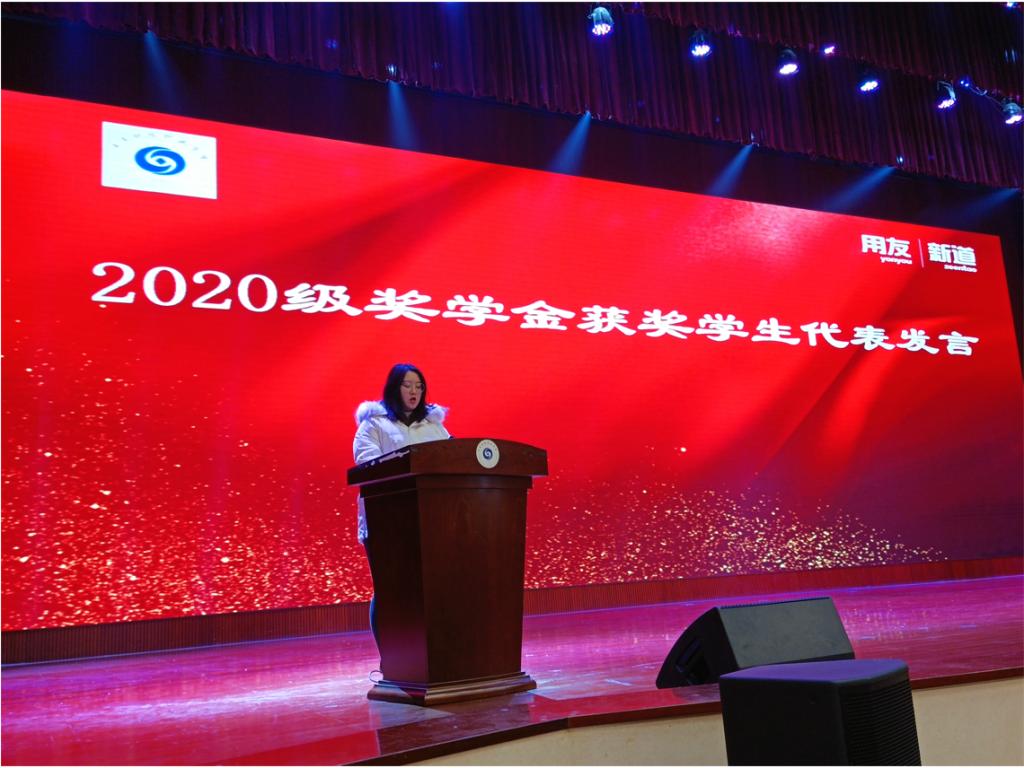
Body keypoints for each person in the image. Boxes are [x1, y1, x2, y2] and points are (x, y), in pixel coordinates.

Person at [352, 363, 450, 648]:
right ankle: (390, 657)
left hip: (429, 518)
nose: (414, 391)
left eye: (419, 386)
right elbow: (368, 465)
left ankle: (430, 653)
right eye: (407, 385)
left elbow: (453, 459)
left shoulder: (434, 426)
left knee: (431, 586)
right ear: (394, 388)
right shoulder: (373, 424)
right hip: (385, 519)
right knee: (389, 588)